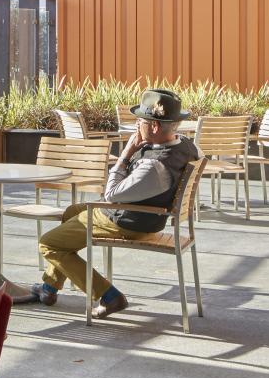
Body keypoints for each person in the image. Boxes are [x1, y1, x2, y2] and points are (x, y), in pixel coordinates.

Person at [30, 88, 200, 318]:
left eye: (139, 121)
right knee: (72, 212)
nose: (136, 126)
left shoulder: (154, 168)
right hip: (149, 215)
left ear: (155, 127)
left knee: (49, 244)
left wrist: (127, 153)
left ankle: (109, 296)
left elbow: (111, 194)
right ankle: (49, 288)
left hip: (129, 221)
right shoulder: (186, 146)